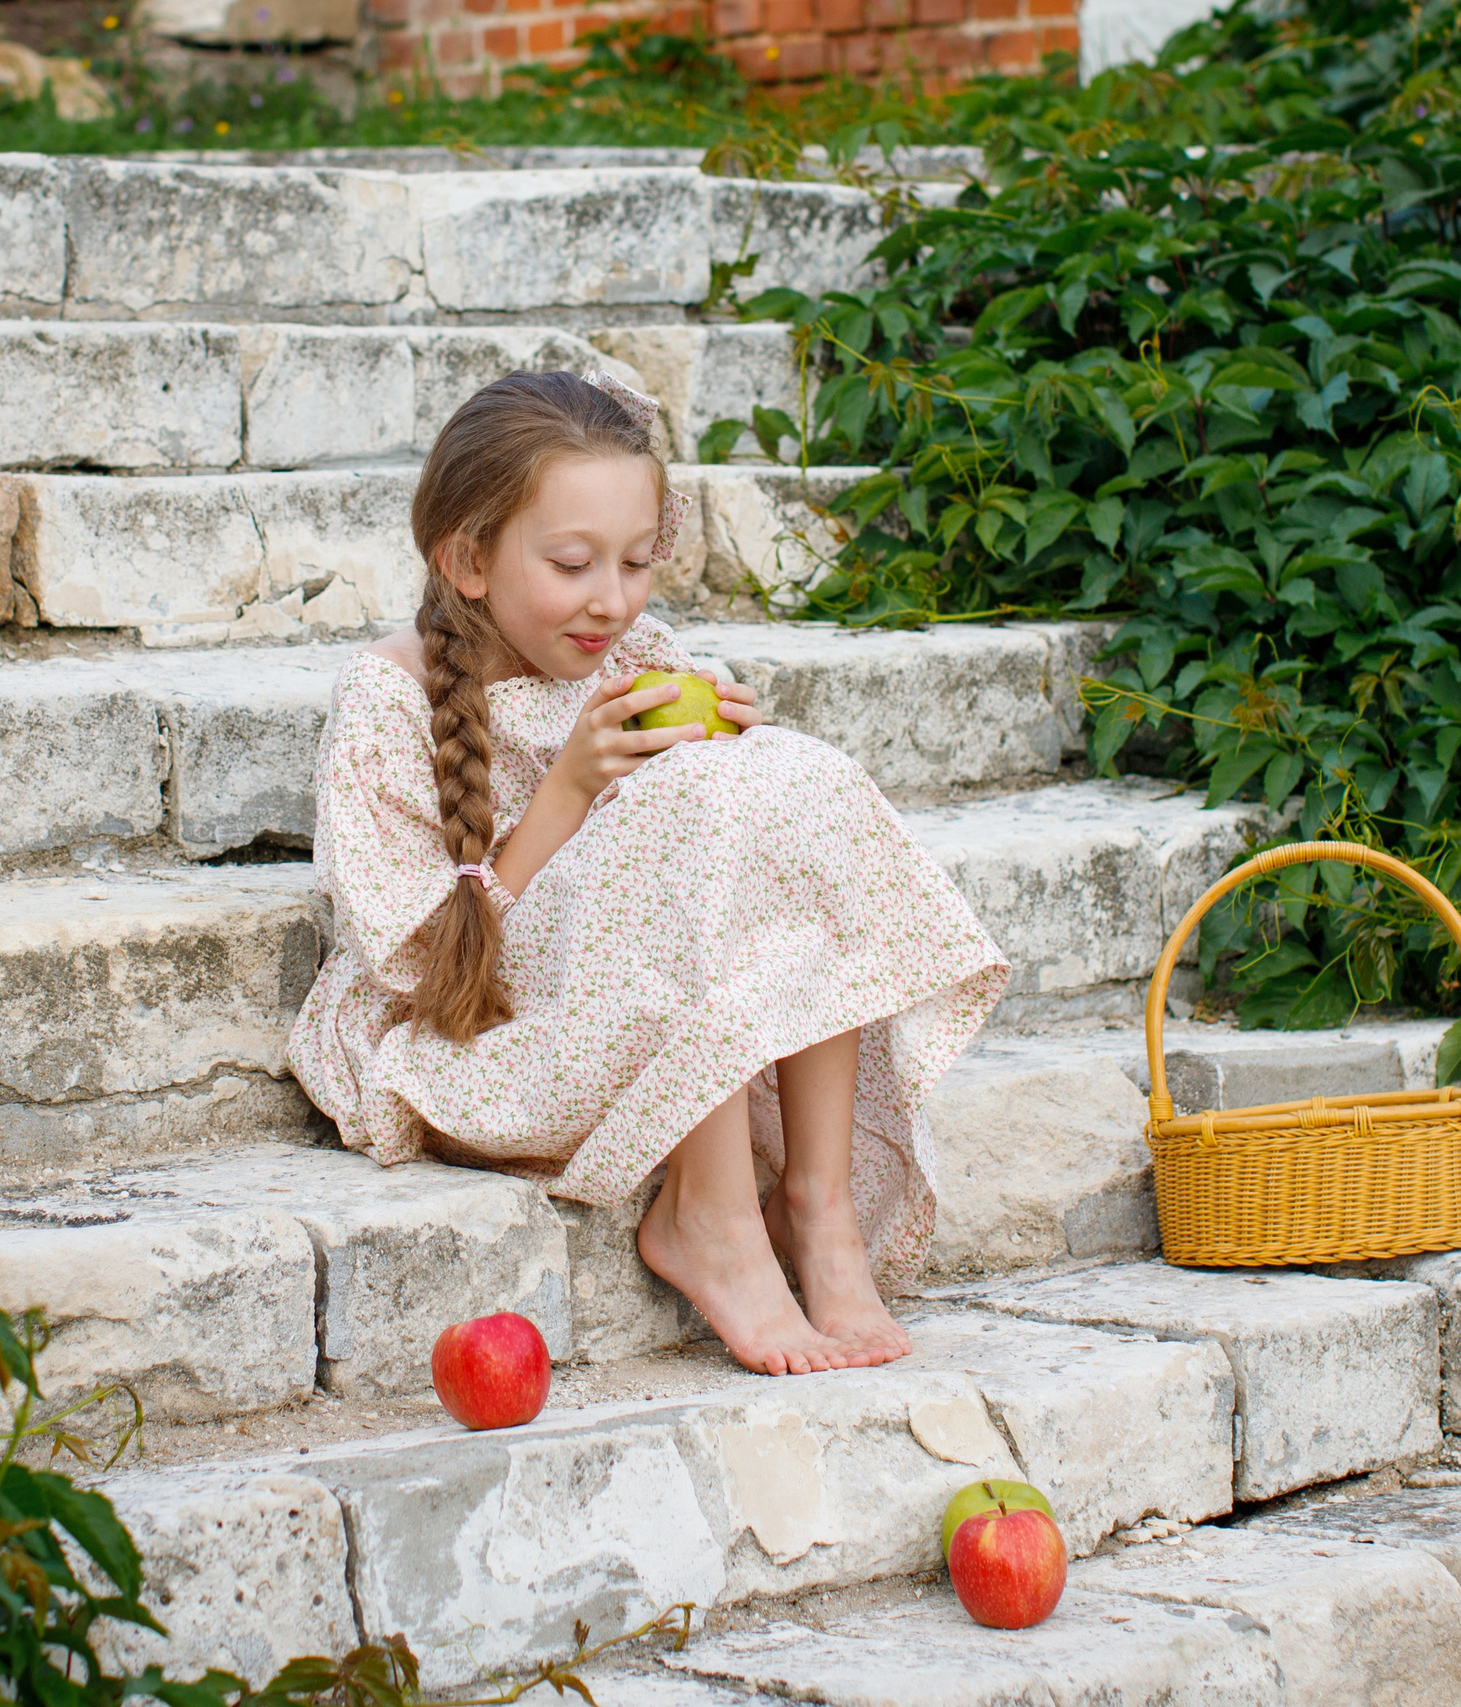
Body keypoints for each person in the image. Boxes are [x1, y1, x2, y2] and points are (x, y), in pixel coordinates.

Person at [287, 370, 1007, 1376]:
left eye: (636, 562)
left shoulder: (631, 652)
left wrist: (738, 753)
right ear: (466, 558)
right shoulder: (390, 702)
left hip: (634, 987)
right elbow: (423, 976)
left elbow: (744, 855)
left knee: (794, 775)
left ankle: (819, 1202)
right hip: (487, 1021)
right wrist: (569, 792)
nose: (613, 601)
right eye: (574, 563)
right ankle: (707, 1211)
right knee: (689, 810)